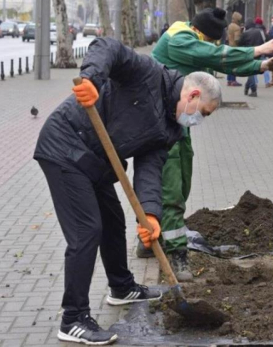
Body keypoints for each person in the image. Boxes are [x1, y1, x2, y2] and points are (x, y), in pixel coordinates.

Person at [34, 37, 222, 345]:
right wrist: (93, 79)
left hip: (94, 161)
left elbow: (149, 170)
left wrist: (149, 214)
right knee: (87, 230)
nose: (199, 119)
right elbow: (107, 47)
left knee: (113, 221)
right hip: (64, 145)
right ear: (194, 94)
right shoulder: (148, 74)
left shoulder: (172, 128)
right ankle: (73, 319)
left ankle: (121, 287)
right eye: (204, 112)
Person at [149, 8, 273, 280]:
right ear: (202, 35)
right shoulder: (180, 38)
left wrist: (260, 66)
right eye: (212, 41)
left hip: (175, 120)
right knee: (171, 188)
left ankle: (152, 238)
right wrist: (258, 50)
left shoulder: (194, 40)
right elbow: (212, 56)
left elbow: (219, 64)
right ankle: (176, 255)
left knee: (181, 179)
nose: (213, 47)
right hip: (160, 122)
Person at [241, 18, 268, 97]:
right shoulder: (260, 32)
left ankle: (253, 90)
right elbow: (266, 39)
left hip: (249, 53)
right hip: (259, 53)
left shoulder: (246, 33)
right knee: (252, 71)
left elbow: (240, 43)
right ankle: (247, 86)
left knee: (251, 71)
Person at [226, 11, 244, 86]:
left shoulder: (230, 26)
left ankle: (229, 80)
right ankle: (233, 80)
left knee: (229, 65)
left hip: (229, 46)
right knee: (234, 65)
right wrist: (241, 33)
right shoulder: (237, 28)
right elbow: (237, 39)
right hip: (235, 48)